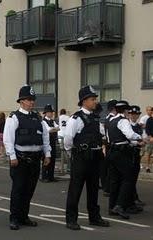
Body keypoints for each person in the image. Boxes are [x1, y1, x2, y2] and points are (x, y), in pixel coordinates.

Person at [3, 85, 51, 230]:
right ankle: (14, 218)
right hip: (20, 159)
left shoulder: (38, 118)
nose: (32, 102)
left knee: (29, 190)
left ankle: (24, 216)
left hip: (35, 159)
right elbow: (8, 138)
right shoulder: (14, 117)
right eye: (29, 100)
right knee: (18, 189)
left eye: (33, 100)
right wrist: (12, 156)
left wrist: (47, 154)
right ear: (21, 101)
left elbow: (45, 136)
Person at [64, 85, 110, 230]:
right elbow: (68, 140)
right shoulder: (76, 118)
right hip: (81, 158)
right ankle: (71, 219)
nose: (95, 101)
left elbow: (101, 136)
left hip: (95, 157)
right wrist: (74, 154)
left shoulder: (96, 118)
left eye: (95, 99)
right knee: (75, 189)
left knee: (93, 189)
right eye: (92, 99)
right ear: (84, 101)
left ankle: (94, 217)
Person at [108, 100, 143, 220]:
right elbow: (129, 135)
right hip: (121, 152)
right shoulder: (123, 121)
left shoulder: (112, 121)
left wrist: (133, 142)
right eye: (128, 110)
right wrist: (140, 138)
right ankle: (120, 205)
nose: (129, 112)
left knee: (115, 180)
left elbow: (116, 137)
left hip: (112, 150)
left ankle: (112, 206)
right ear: (124, 110)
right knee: (128, 178)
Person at [128, 105, 145, 208]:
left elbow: (142, 137)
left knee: (134, 176)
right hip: (129, 152)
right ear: (129, 114)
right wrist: (138, 143)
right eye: (132, 114)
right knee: (130, 177)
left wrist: (143, 143)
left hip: (137, 152)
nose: (134, 116)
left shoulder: (139, 126)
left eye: (136, 114)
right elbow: (129, 139)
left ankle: (134, 197)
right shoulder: (127, 125)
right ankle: (132, 198)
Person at [102, 99, 118, 197]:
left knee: (109, 168)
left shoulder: (107, 119)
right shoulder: (112, 119)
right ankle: (108, 188)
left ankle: (107, 187)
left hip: (109, 144)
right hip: (111, 145)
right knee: (111, 168)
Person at [42, 104, 60, 182]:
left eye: (52, 112)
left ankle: (51, 176)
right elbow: (48, 130)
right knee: (46, 159)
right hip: (46, 143)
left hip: (52, 142)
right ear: (46, 113)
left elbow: (59, 128)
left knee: (53, 159)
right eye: (50, 112)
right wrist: (54, 129)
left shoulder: (52, 121)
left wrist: (53, 129)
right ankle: (44, 176)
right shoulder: (43, 121)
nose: (52, 113)